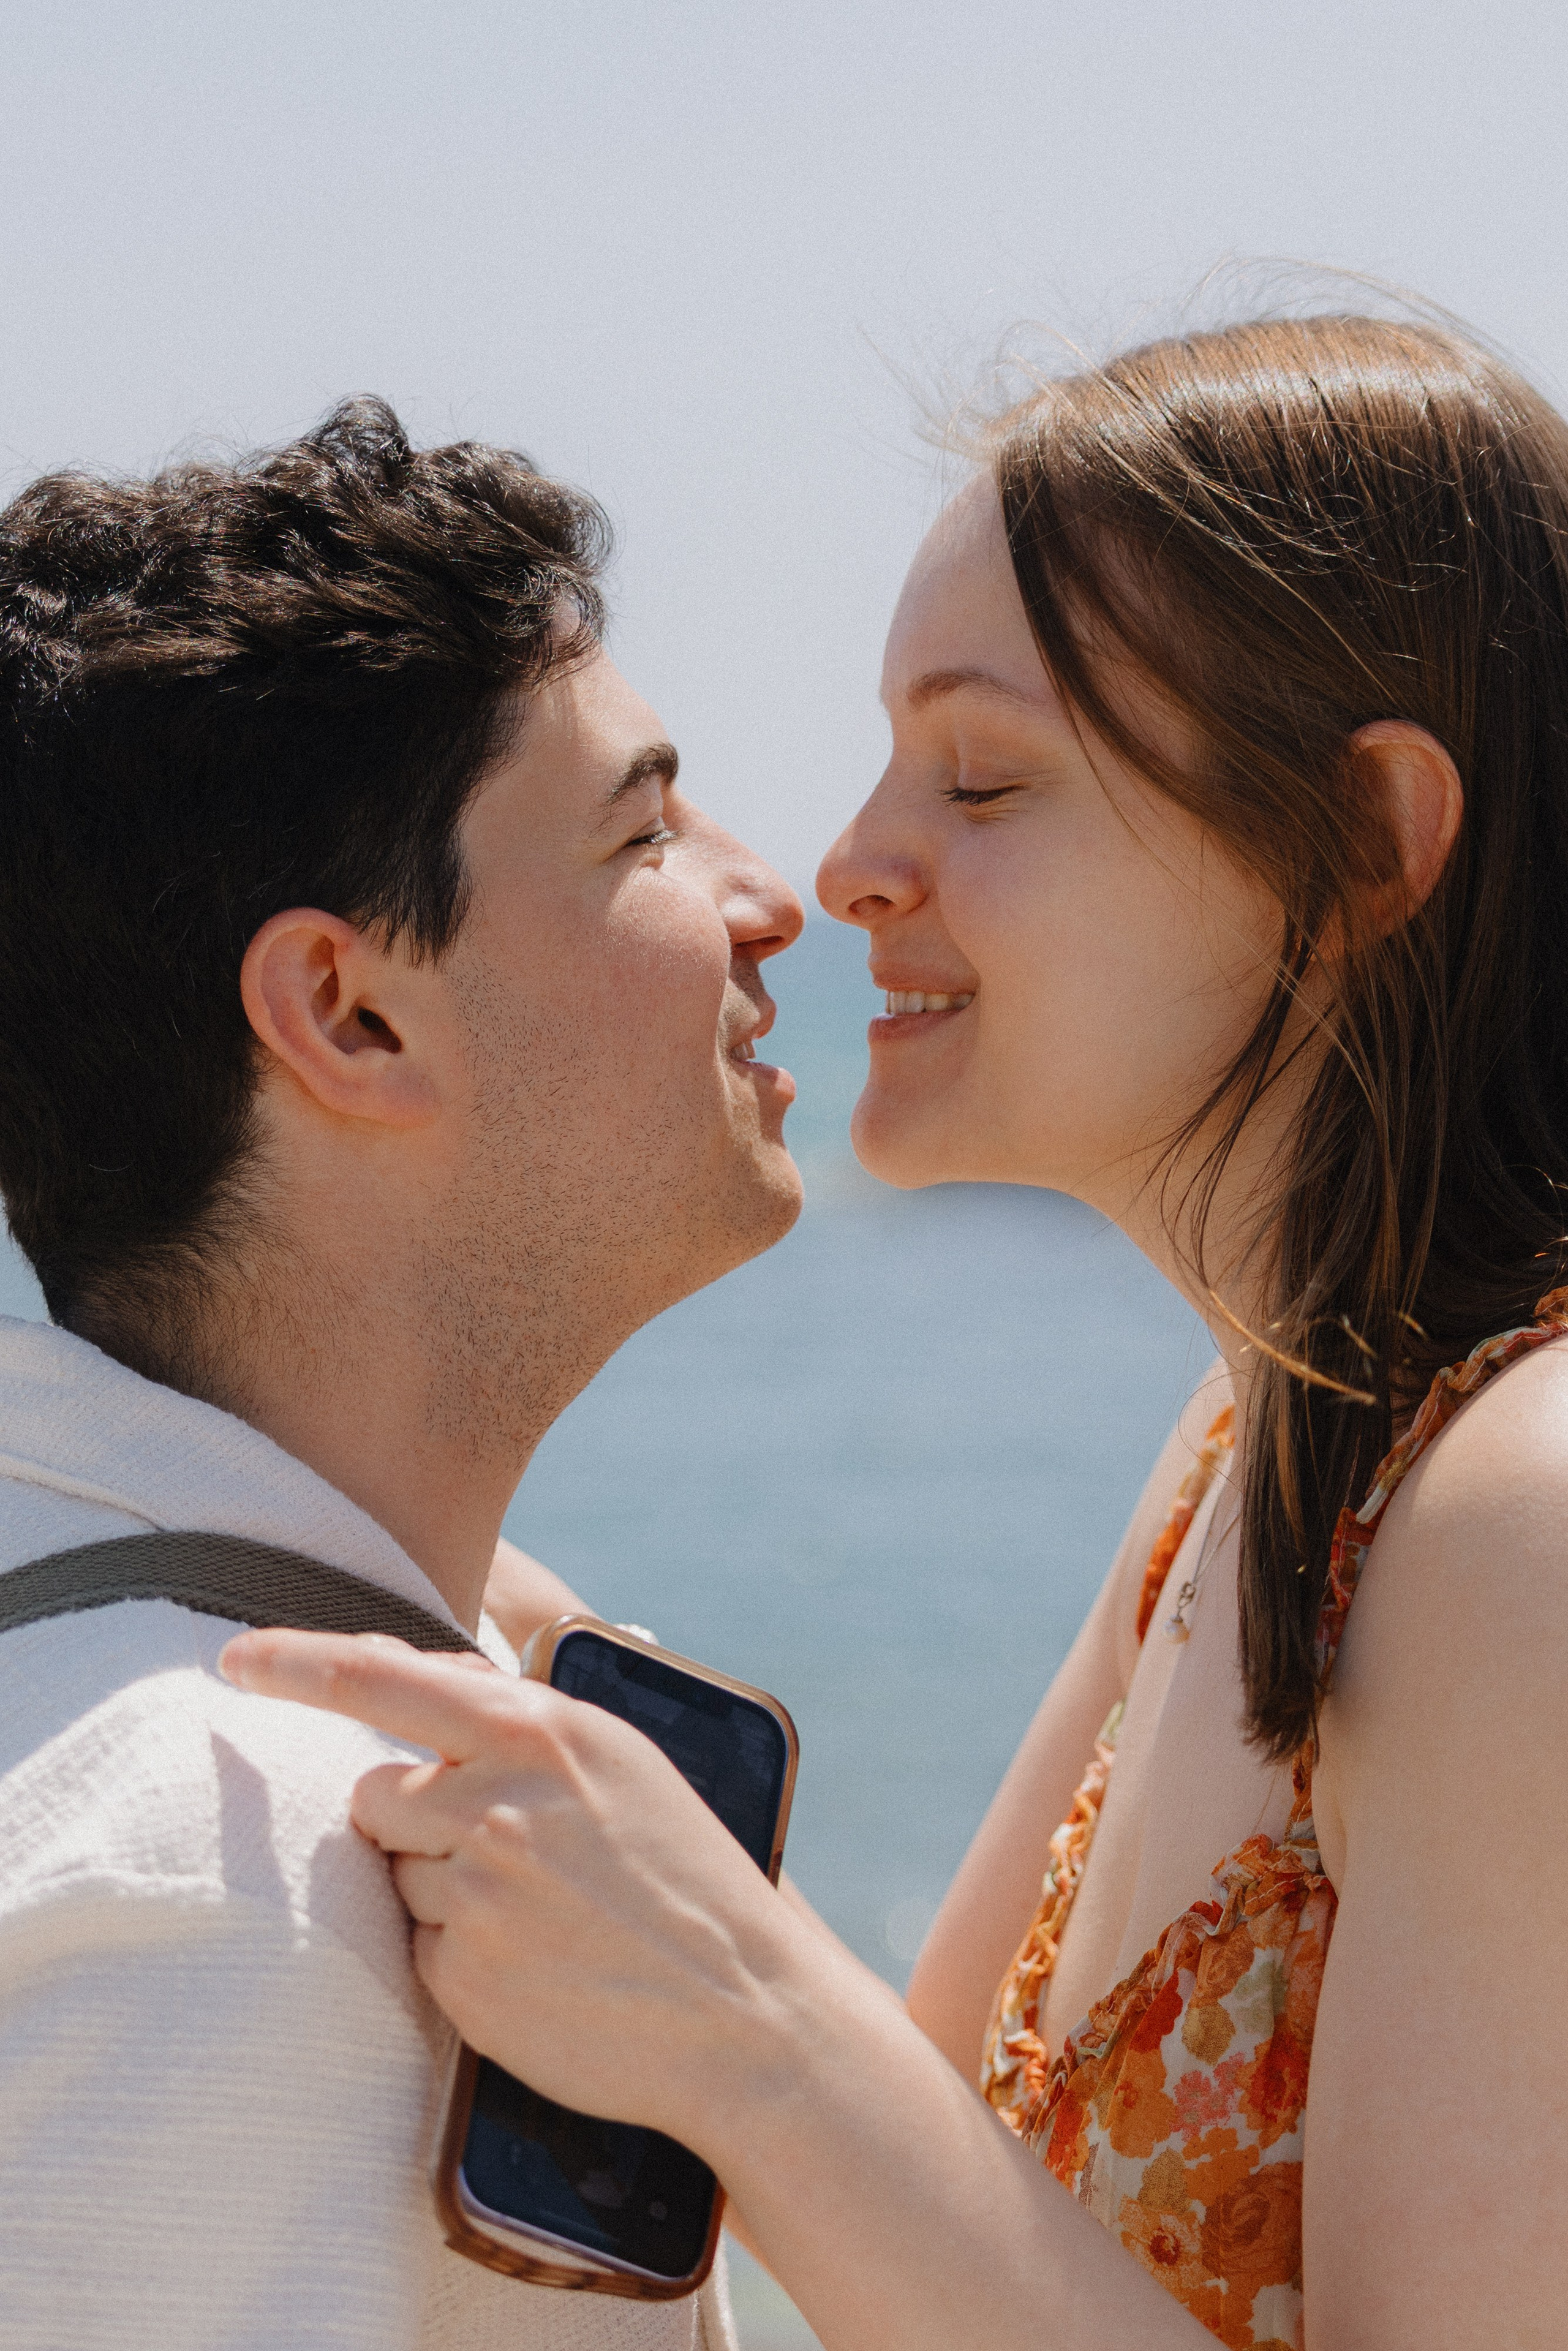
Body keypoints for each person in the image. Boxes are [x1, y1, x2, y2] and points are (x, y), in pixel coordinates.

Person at [228, 312, 1568, 2351]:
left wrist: (745, 2017)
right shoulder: (1247, 1458)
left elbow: (842, 2114)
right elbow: (933, 2212)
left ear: (1366, 841)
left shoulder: (1519, 1516)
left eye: (985, 778)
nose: (847, 869)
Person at [0, 399, 804, 2350]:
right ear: (348, 1013)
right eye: (646, 832)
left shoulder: (133, 1731)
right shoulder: (228, 1875)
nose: (771, 896)